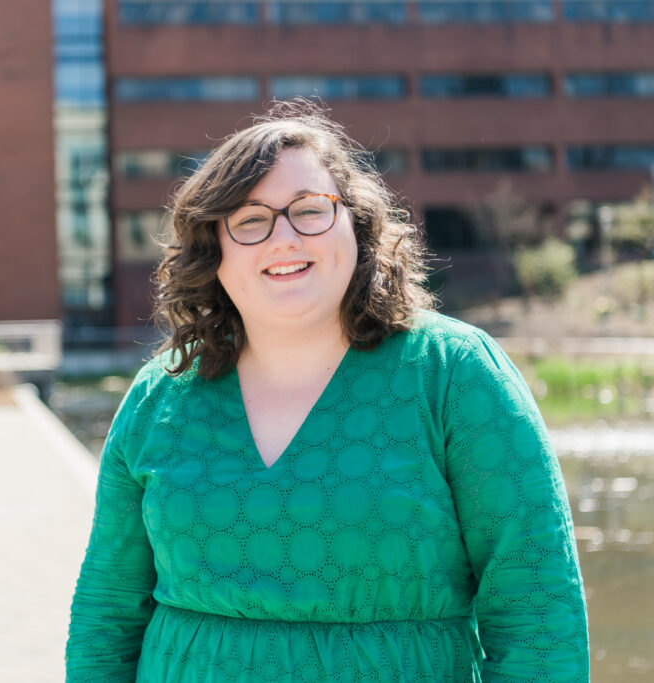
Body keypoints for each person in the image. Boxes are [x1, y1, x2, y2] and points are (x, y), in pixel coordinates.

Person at [66, 101, 589, 681]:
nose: (283, 238)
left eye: (309, 210)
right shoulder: (159, 398)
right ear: (214, 250)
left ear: (357, 226)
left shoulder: (453, 375)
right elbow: (106, 615)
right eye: (249, 219)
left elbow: (538, 612)